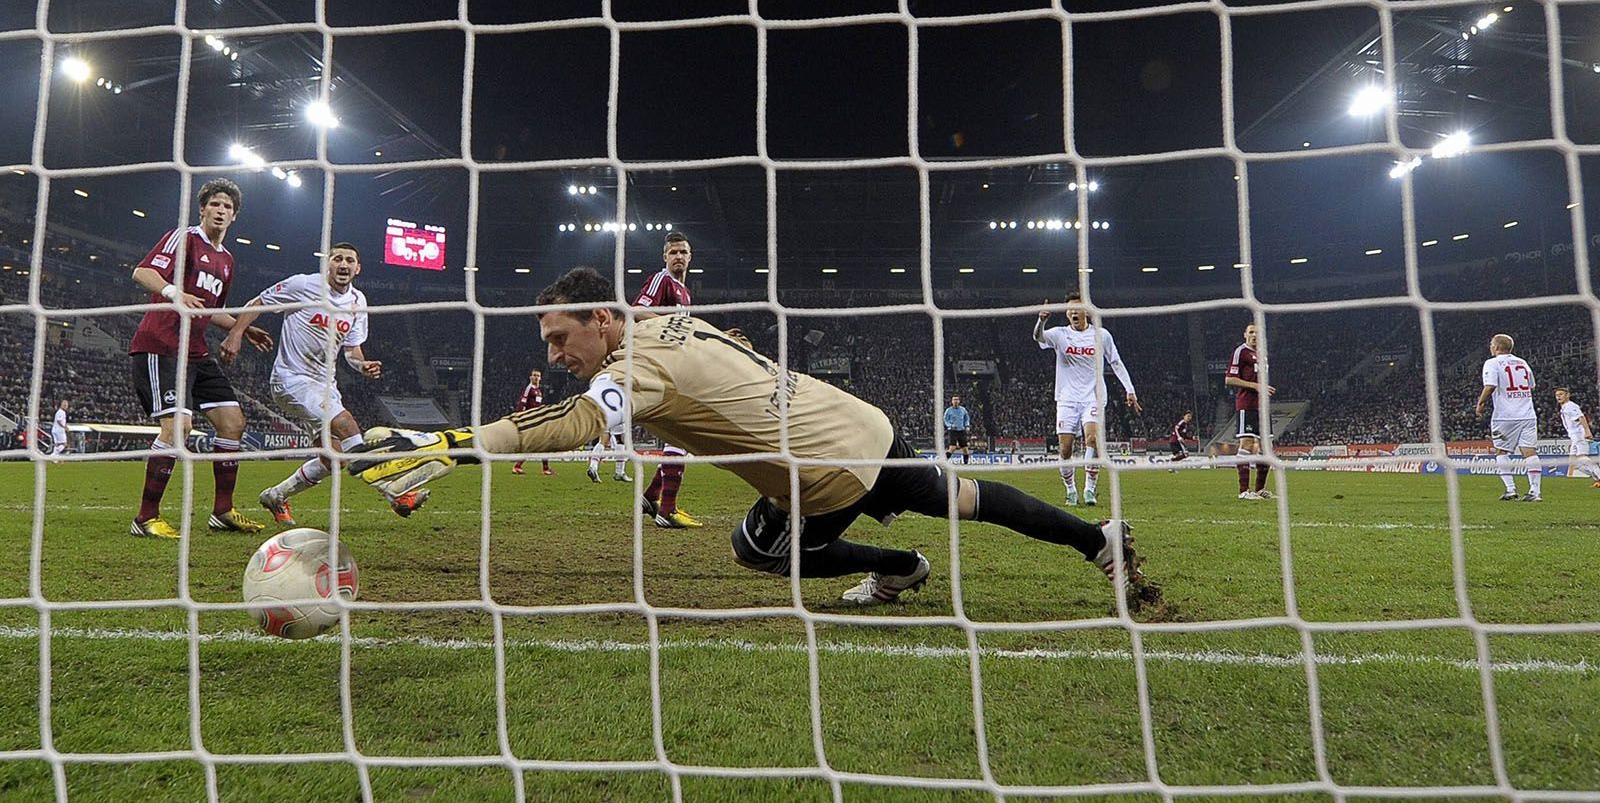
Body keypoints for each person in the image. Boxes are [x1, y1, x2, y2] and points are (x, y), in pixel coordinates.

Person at [347, 267, 1150, 607]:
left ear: (602, 321)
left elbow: (582, 421)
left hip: (822, 469)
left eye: (562, 340)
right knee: (961, 496)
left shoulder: (635, 366)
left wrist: (446, 445)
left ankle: (900, 568)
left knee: (759, 551)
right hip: (855, 419)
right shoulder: (661, 320)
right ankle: (1096, 539)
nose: (555, 356)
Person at [223, 242, 421, 525]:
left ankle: (276, 495)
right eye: (337, 259)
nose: (343, 264)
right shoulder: (303, 285)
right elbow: (258, 303)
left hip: (325, 386)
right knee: (347, 424)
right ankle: (396, 492)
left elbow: (352, 351)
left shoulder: (358, 302)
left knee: (335, 460)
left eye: (349, 260)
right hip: (290, 379)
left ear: (358, 268)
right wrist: (236, 333)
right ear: (327, 264)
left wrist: (362, 365)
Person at [127, 178, 273, 539]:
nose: (221, 211)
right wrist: (175, 292)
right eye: (215, 204)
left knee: (232, 422)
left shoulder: (226, 260)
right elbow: (142, 272)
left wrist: (242, 328)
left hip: (196, 351)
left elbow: (211, 311)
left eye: (227, 207)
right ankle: (145, 518)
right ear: (203, 209)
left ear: (234, 216)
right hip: (161, 345)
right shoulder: (185, 237)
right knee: (178, 430)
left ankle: (223, 512)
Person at [1033, 295, 1140, 507]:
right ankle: (1071, 490)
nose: (1073, 313)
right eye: (1070, 310)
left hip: (1093, 396)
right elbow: (1038, 338)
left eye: (1077, 310)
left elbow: (1116, 362)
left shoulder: (1101, 335)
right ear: (1066, 313)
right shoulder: (1060, 334)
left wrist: (1130, 389)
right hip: (1066, 399)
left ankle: (1090, 488)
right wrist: (1042, 320)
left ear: (1086, 312)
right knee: (1065, 450)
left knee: (1093, 439)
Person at [630, 231, 701, 528]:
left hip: (674, 364)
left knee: (682, 434)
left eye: (683, 252)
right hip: (659, 363)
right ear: (665, 257)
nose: (679, 257)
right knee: (681, 431)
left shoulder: (685, 292)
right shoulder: (662, 280)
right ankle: (667, 510)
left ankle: (651, 497)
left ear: (690, 257)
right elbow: (638, 312)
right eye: (673, 252)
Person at [1475, 334, 1542, 501]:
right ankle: (1535, 492)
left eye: (1491, 344)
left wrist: (1480, 403)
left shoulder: (1492, 363)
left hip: (1505, 416)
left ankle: (1511, 489)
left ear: (1497, 347)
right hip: (1527, 414)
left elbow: (1490, 385)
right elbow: (1531, 385)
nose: (1490, 347)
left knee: (1501, 451)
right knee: (1529, 452)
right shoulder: (1522, 363)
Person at [1225, 324, 1275, 500]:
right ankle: (1244, 491)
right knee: (1246, 444)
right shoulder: (1241, 351)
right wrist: (1256, 386)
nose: (1254, 335)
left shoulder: (1263, 354)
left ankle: (1260, 489)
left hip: (1263, 407)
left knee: (1267, 449)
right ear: (1245, 334)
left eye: (1258, 333)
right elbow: (1230, 379)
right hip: (1247, 404)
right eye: (1251, 332)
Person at [1553, 388, 1600, 486]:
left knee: (1582, 457)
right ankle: (1597, 478)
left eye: (1561, 394)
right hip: (1574, 437)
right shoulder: (1564, 407)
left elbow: (1581, 417)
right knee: (1573, 463)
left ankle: (1599, 477)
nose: (1558, 397)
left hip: (1579, 435)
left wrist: (1587, 431)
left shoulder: (1571, 406)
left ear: (1567, 395)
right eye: (1557, 395)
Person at [511, 369, 554, 476]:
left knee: (541, 445)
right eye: (534, 375)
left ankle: (520, 466)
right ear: (531, 377)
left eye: (538, 376)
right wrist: (521, 416)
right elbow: (523, 402)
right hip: (530, 420)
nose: (536, 377)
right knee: (542, 445)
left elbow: (536, 405)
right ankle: (544, 468)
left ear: (540, 378)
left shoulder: (538, 391)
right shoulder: (529, 389)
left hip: (537, 420)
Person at [943, 394, 972, 465]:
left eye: (957, 399)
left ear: (959, 401)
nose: (955, 401)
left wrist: (967, 425)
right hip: (953, 431)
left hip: (961, 431)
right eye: (954, 400)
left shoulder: (963, 410)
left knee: (965, 449)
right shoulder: (948, 410)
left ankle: (966, 465)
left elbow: (966, 419)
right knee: (952, 448)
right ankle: (943, 462)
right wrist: (950, 425)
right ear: (952, 401)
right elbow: (945, 420)